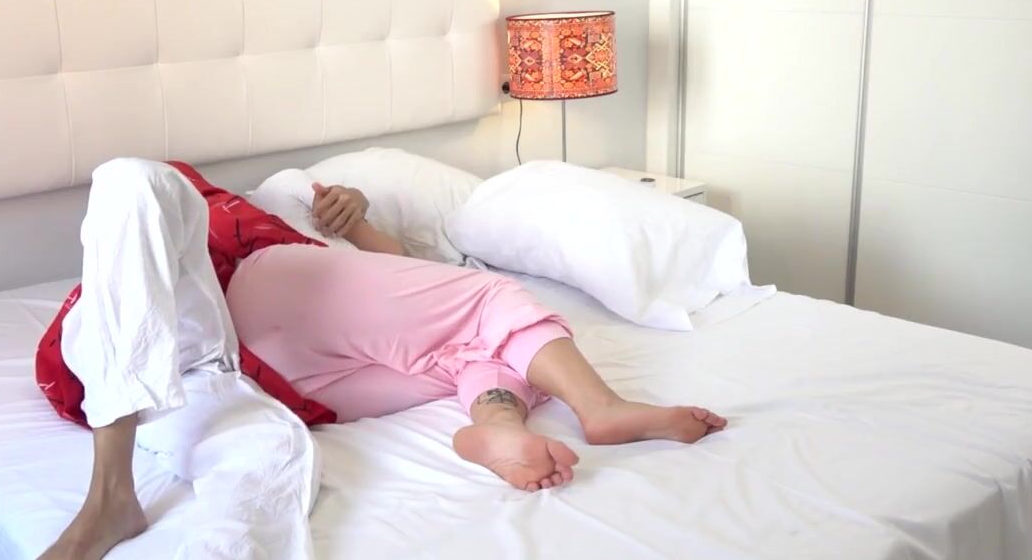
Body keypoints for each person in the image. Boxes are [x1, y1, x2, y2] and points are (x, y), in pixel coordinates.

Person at [39, 158, 726, 560]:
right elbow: (419, 289)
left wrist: (362, 220)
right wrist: (328, 213)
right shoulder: (272, 199)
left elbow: (396, 274)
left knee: (478, 349)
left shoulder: (348, 227)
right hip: (246, 297)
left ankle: (498, 425)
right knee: (489, 299)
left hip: (285, 382)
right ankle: (599, 406)